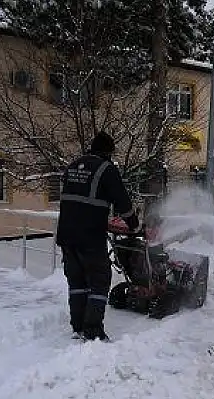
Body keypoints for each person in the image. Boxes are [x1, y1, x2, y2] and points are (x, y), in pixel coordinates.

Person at [55, 131, 140, 342]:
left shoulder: (73, 165)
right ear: (108, 153)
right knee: (99, 281)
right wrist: (134, 224)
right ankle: (93, 331)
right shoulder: (106, 169)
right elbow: (122, 201)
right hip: (90, 236)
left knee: (77, 281)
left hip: (66, 234)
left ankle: (78, 326)